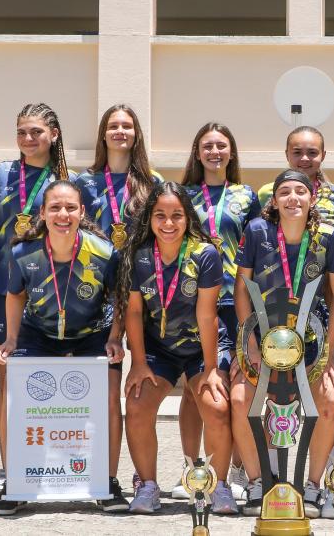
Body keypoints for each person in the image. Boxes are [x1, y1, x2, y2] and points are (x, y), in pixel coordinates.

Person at [0, 180, 124, 516]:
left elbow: (120, 299)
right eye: (55, 208)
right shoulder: (23, 252)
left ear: (81, 212)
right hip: (39, 334)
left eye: (70, 208)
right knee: (13, 395)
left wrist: (115, 338)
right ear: (44, 214)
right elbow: (15, 294)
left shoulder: (104, 252)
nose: (63, 214)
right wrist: (12, 339)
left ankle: (107, 483)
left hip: (92, 334)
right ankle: (15, 483)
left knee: (108, 396)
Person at [232, 169, 334, 519]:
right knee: (241, 399)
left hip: (310, 341)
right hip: (262, 338)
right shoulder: (256, 231)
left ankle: (312, 486)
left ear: (312, 199)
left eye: (300, 191)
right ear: (274, 200)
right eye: (285, 192)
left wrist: (328, 352)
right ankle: (259, 482)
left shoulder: (328, 236)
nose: (293, 198)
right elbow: (241, 289)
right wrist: (248, 343)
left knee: (327, 400)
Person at [118, 181, 237, 515]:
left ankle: (218, 485)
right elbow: (135, 311)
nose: (168, 223)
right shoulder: (139, 255)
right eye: (160, 215)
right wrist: (139, 363)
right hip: (159, 349)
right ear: (149, 219)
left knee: (215, 406)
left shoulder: (205, 254)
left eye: (176, 216)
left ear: (188, 219)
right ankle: (148, 485)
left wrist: (212, 369)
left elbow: (207, 315)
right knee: (138, 404)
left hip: (202, 347)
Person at [0, 103, 71, 499]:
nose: (28, 139)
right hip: (2, 289)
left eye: (36, 131)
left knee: (49, 384)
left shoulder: (67, 180)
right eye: (21, 132)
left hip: (50, 296)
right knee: (8, 382)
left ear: (53, 134)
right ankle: (8, 467)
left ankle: (48, 463)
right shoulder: (2, 173)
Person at [74, 104, 160, 512]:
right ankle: (98, 476)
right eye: (113, 126)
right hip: (95, 294)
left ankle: (143, 477)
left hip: (143, 290)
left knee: (142, 385)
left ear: (136, 133)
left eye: (127, 126)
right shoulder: (83, 182)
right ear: (103, 134)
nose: (120, 132)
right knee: (105, 393)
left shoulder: (152, 182)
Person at [175, 122, 261, 501]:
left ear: (231, 153)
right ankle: (193, 469)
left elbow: (258, 250)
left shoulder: (246, 196)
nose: (214, 152)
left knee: (236, 386)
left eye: (221, 146)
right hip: (193, 301)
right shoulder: (183, 194)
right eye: (207, 146)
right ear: (197, 153)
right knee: (194, 391)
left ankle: (238, 469)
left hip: (235, 301)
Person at [257, 127, 334, 228]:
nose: (304, 158)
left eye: (312, 153)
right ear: (287, 154)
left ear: (323, 155)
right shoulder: (266, 193)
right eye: (297, 152)